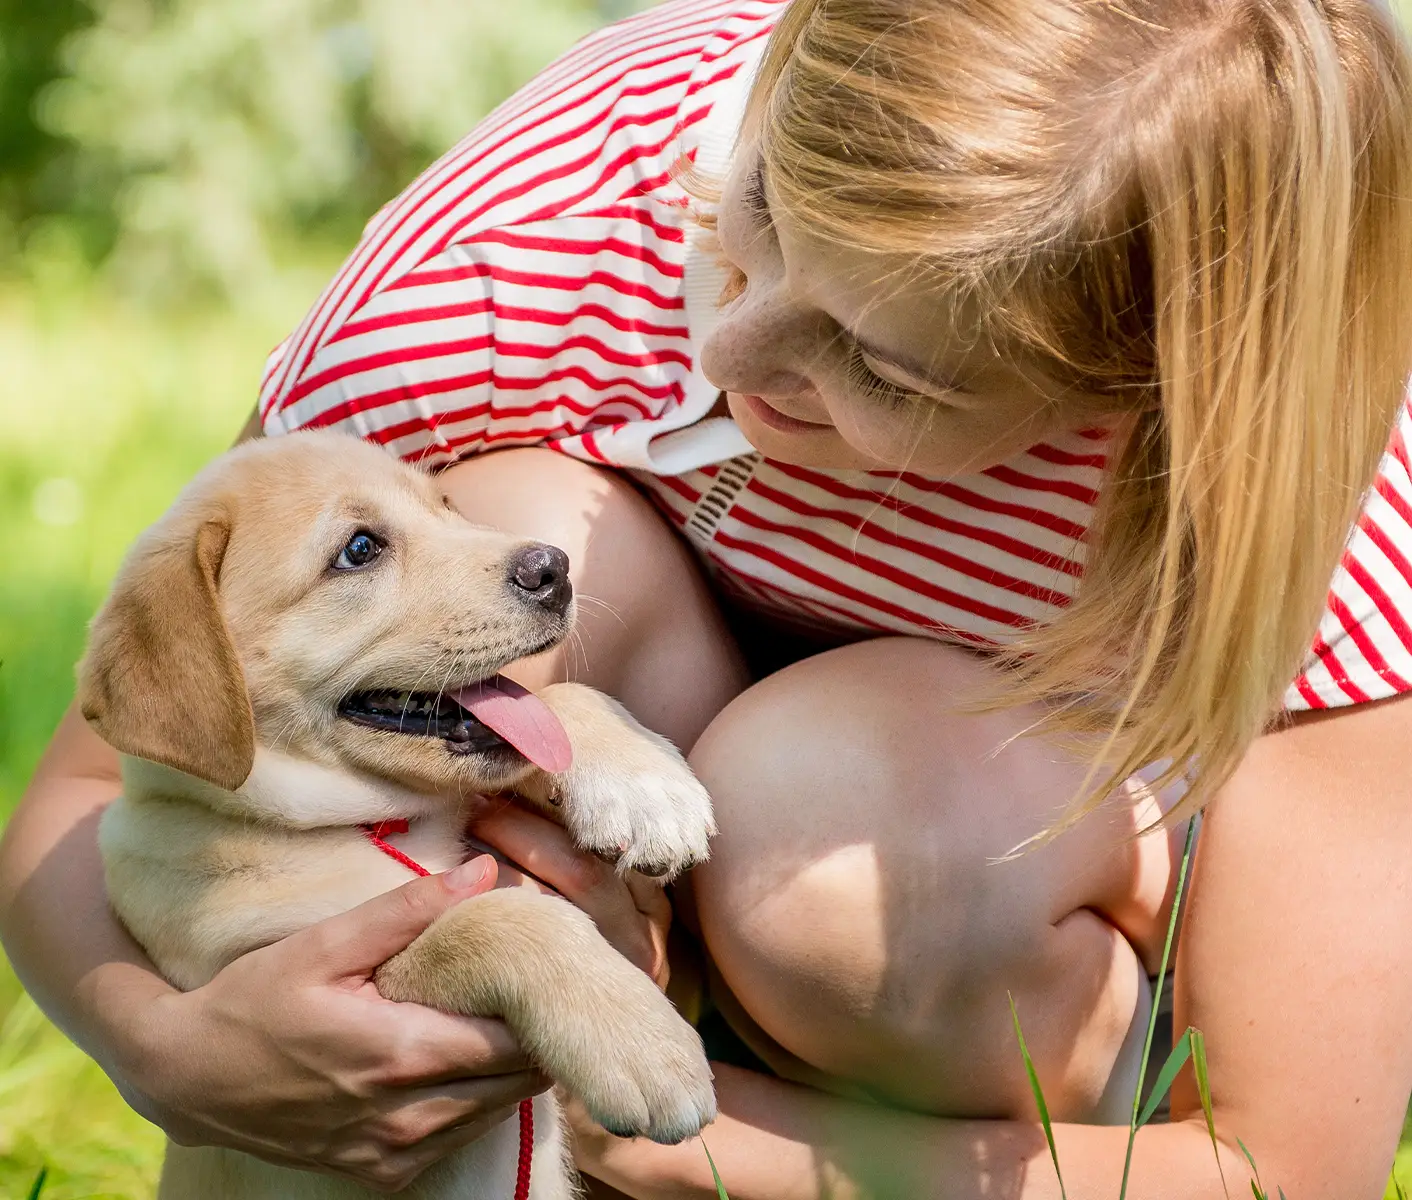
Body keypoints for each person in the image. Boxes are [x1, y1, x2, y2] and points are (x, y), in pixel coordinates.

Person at [6, 0, 1412, 1195]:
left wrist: (689, 1153)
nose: (724, 348)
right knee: (510, 520)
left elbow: (1290, 1167)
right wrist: (166, 1050)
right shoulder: (525, 237)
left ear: (1130, 386)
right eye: (763, 207)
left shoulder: (1302, 477)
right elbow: (111, 775)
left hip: (946, 910)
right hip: (633, 874)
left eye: (882, 367)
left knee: (834, 841)